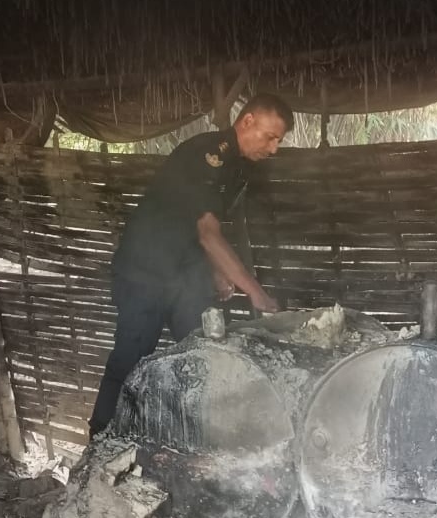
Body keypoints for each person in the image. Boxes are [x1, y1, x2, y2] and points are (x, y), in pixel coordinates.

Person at [89, 93, 294, 438]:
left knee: (204, 354)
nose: (274, 148)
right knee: (130, 357)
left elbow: (193, 220)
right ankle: (100, 439)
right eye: (271, 137)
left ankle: (199, 441)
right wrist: (255, 292)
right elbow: (207, 232)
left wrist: (216, 272)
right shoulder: (209, 155)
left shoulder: (238, 166)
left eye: (279, 141)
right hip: (145, 271)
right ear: (247, 122)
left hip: (182, 274)